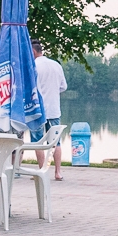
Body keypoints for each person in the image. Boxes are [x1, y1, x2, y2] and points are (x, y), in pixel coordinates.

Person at [32, 48, 68, 178]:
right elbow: (63, 87)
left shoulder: (33, 66)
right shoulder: (56, 65)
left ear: (33, 51)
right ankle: (58, 172)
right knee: (56, 142)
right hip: (54, 110)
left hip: (37, 110)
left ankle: (42, 171)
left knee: (37, 142)